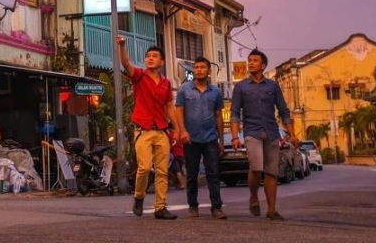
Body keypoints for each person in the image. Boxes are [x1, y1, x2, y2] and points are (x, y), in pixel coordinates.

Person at [118, 36, 188, 220]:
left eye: (154, 56)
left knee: (163, 170)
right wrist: (123, 46)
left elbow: (169, 107)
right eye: (148, 56)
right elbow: (126, 63)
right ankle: (139, 197)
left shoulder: (165, 83)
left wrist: (179, 129)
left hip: (162, 131)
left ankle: (160, 207)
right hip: (143, 129)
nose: (150, 58)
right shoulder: (140, 76)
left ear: (162, 61)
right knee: (144, 167)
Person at [230, 49, 296, 221]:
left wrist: (292, 134)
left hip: (272, 132)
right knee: (256, 167)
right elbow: (235, 112)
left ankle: (272, 210)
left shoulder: (273, 86)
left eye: (255, 60)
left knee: (271, 172)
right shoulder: (241, 87)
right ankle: (253, 196)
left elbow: (283, 110)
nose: (251, 63)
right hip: (252, 132)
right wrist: (236, 137)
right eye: (249, 60)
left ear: (263, 65)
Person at [175, 56, 226, 219]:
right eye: (196, 67)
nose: (198, 70)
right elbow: (179, 112)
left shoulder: (216, 92)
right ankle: (193, 206)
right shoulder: (184, 90)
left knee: (213, 173)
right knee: (191, 173)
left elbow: (218, 116)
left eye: (202, 67)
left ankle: (216, 208)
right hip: (191, 138)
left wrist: (221, 141)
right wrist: (182, 131)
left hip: (210, 138)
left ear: (208, 71)